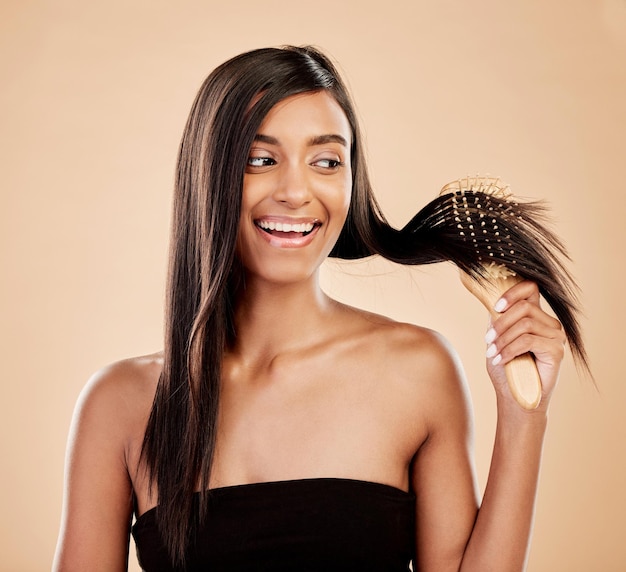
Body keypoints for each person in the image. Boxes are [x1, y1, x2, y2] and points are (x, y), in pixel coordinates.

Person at [53, 46, 574, 571]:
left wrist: (522, 419)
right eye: (262, 159)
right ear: (207, 175)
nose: (297, 191)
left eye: (326, 161)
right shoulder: (119, 404)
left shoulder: (415, 371)